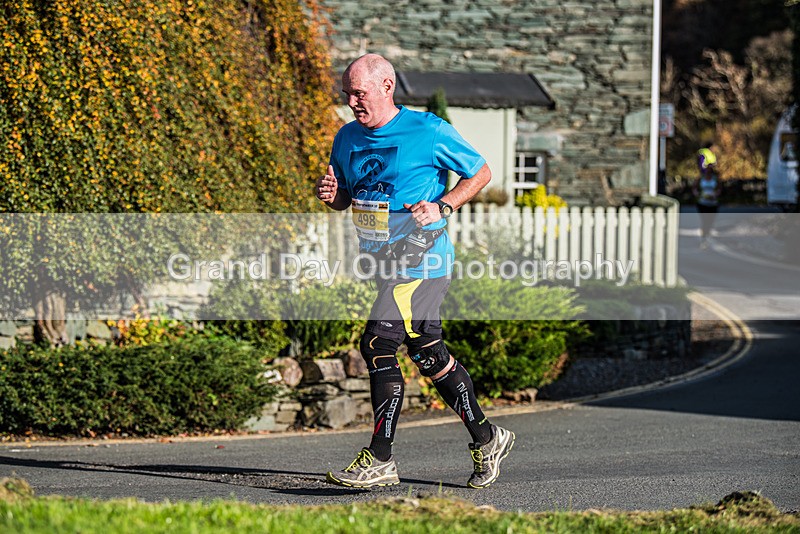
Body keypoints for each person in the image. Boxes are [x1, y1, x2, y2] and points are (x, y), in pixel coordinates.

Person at [314, 53, 515, 489]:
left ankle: (380, 459)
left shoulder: (428, 130)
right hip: (382, 263)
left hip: (423, 261)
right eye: (346, 93)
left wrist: (443, 205)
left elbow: (480, 172)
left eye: (359, 93)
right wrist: (331, 196)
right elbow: (347, 197)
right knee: (428, 354)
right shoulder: (346, 137)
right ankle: (488, 437)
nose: (351, 101)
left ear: (387, 87)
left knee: (377, 343)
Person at [692, 147, 722, 248]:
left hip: (713, 203)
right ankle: (704, 239)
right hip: (703, 203)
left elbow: (719, 189)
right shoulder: (700, 178)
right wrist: (698, 194)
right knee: (705, 221)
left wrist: (715, 194)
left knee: (710, 221)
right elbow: (695, 188)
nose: (709, 168)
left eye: (710, 166)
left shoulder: (715, 178)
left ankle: (707, 236)